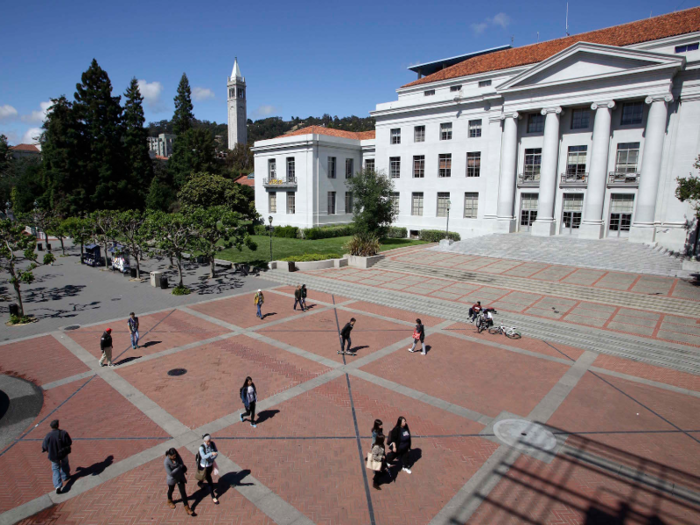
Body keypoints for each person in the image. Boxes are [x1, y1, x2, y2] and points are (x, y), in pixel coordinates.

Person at [41, 420, 72, 494]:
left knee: (55, 469)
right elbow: (69, 442)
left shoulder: (48, 435)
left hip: (53, 456)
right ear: (58, 425)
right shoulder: (63, 433)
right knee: (65, 464)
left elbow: (44, 446)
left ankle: (58, 486)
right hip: (63, 453)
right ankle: (65, 476)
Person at [164, 448, 193, 515]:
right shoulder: (166, 461)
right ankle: (169, 500)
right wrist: (178, 468)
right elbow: (170, 473)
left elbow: (181, 463)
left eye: (175, 456)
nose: (175, 457)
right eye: (173, 456)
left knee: (183, 491)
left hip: (179, 476)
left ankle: (187, 508)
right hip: (172, 478)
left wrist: (179, 467)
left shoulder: (177, 456)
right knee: (171, 489)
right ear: (169, 455)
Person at [197, 434, 219, 504]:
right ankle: (213, 496)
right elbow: (203, 457)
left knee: (204, 476)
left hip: (210, 465)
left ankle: (200, 482)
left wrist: (213, 457)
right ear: (205, 441)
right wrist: (211, 454)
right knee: (210, 482)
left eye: (210, 441)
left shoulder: (212, 444)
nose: (209, 443)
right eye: (208, 441)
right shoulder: (201, 448)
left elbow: (216, 452)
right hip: (204, 466)